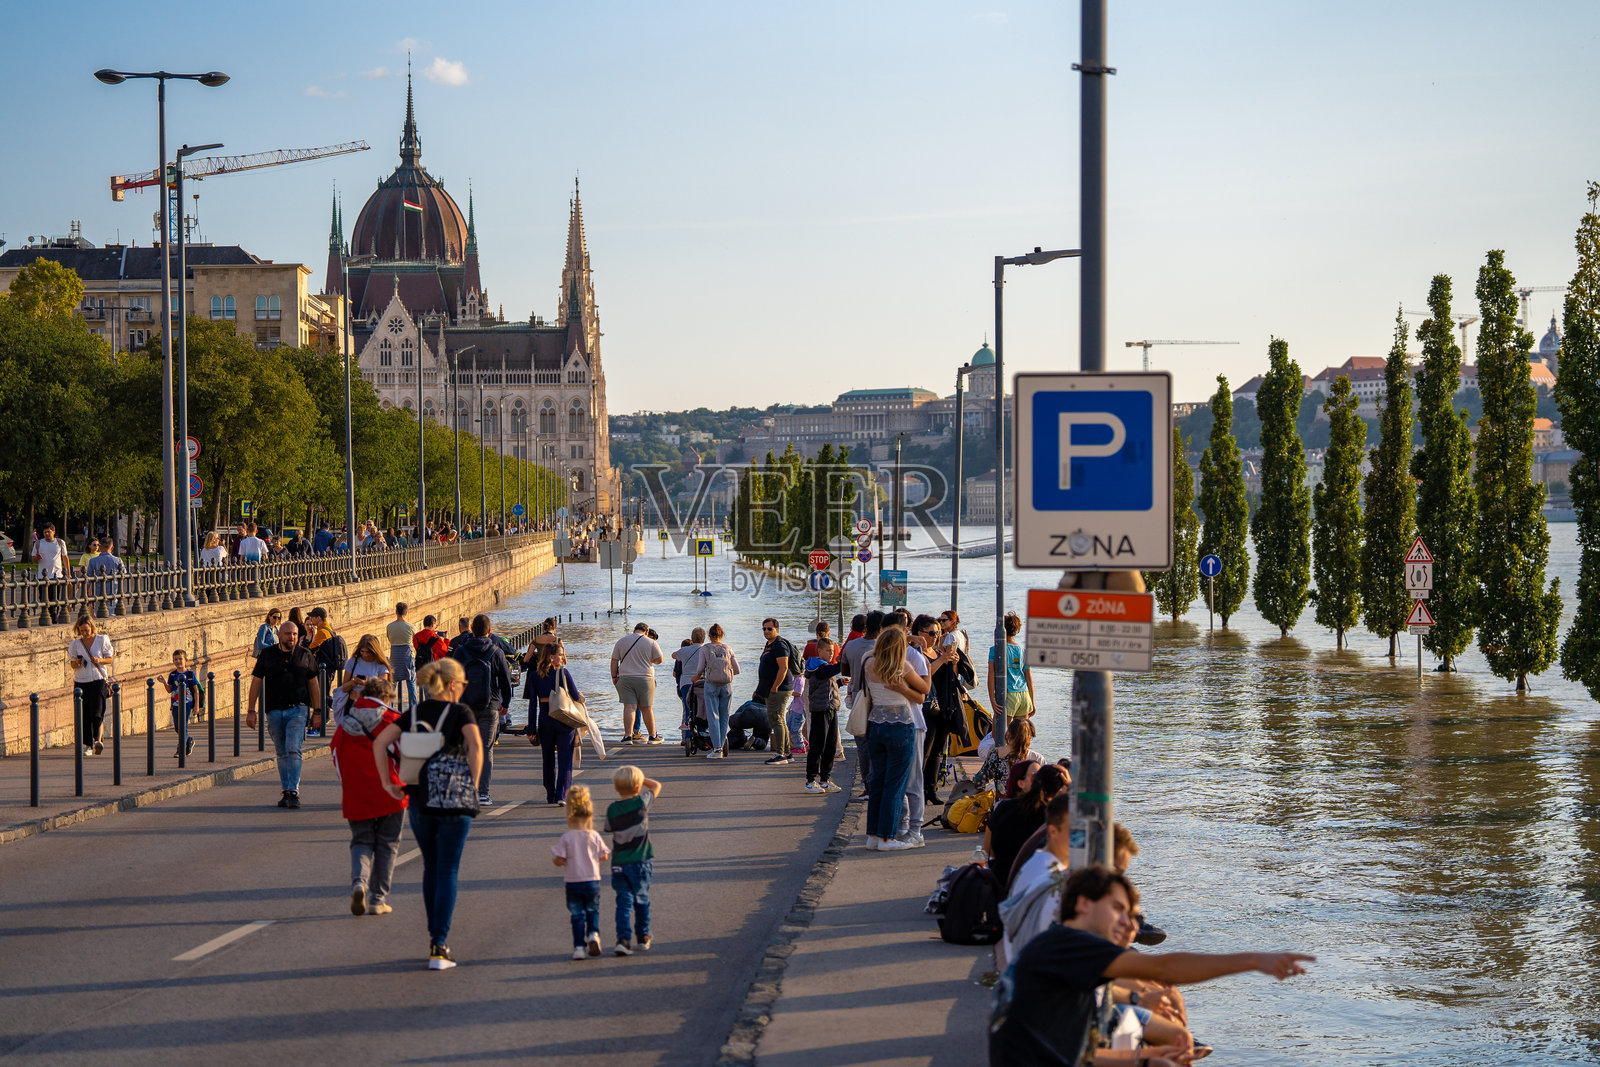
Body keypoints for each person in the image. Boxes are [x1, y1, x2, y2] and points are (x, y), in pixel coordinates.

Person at [988, 865, 1313, 1067]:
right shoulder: (1071, 945)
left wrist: (1146, 1057)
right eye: (1117, 908)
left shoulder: (1060, 952)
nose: (1125, 922)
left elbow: (1083, 1057)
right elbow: (1164, 968)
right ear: (1084, 904)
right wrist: (1255, 960)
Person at [373, 658, 484, 970]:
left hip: (419, 799)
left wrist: (388, 782)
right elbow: (476, 745)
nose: (463, 690)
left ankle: (433, 938)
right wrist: (472, 785)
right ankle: (440, 944)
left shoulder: (416, 712)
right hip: (453, 800)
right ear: (452, 684)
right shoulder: (461, 712)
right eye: (462, 684)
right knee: (448, 869)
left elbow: (381, 742)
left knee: (431, 866)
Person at [331, 676, 406, 917]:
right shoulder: (392, 720)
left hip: (357, 792)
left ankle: (359, 884)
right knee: (387, 844)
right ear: (386, 697)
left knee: (361, 841)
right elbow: (407, 755)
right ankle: (378, 899)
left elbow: (335, 753)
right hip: (390, 792)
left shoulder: (346, 723)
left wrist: (347, 785)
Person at [861, 627, 929, 851]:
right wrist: (924, 662)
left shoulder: (868, 663)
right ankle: (888, 838)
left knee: (878, 782)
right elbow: (924, 691)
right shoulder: (903, 667)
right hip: (900, 725)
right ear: (901, 648)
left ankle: (873, 835)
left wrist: (904, 637)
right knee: (895, 784)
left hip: (876, 724)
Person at [246, 622, 322, 809]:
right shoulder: (267, 655)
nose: (292, 637)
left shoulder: (305, 655)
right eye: (288, 634)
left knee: (293, 748)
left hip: (298, 709)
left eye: (295, 634)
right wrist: (251, 710)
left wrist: (317, 712)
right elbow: (256, 681)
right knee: (281, 752)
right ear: (279, 635)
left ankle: (293, 791)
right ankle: (286, 790)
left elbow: (314, 684)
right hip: (274, 710)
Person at [450, 614, 514, 805]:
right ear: (489, 631)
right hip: (490, 706)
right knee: (485, 750)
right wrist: (506, 704)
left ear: (471, 629)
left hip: (465, 707)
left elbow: (451, 678)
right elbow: (505, 681)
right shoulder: (496, 651)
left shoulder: (460, 651)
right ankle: (484, 794)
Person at [603, 764, 662, 956]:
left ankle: (623, 939)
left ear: (616, 788)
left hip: (619, 863)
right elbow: (656, 786)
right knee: (641, 898)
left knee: (623, 901)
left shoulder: (612, 809)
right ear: (638, 788)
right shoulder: (641, 803)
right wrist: (642, 777)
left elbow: (609, 828)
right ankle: (643, 936)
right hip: (640, 861)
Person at [985, 764, 1068, 886]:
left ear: (1032, 779)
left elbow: (988, 850)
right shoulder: (1053, 819)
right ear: (1060, 791)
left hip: (997, 886)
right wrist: (1071, 789)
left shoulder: (1004, 807)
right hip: (1032, 889)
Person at [553, 784, 609, 961]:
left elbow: (559, 860)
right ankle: (593, 934)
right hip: (592, 880)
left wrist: (560, 860)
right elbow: (604, 856)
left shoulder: (566, 838)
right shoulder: (593, 836)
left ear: (569, 815)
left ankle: (578, 947)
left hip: (573, 881)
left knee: (577, 914)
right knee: (593, 909)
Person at [530, 640, 582, 805]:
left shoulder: (534, 675)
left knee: (548, 758)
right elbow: (574, 695)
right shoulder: (563, 673)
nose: (562, 657)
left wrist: (531, 728)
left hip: (545, 719)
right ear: (551, 657)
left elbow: (532, 704)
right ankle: (562, 795)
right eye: (560, 655)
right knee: (565, 758)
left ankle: (550, 794)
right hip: (564, 720)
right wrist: (581, 696)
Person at [840, 610, 884, 796]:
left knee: (863, 744)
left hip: (857, 694)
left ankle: (868, 784)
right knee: (879, 743)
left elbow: (844, 669)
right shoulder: (881, 647)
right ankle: (877, 783)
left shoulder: (851, 645)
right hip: (878, 696)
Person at [987, 610, 1035, 749]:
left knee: (999, 738)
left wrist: (992, 699)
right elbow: (1028, 678)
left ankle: (1003, 767)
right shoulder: (1023, 651)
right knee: (1022, 739)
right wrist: (1032, 701)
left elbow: (991, 676)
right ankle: (1020, 765)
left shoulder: (995, 649)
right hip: (1024, 695)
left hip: (1008, 695)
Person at [611, 622, 665, 745]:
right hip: (645, 678)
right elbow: (660, 659)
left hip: (625, 677)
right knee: (646, 708)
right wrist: (651, 660)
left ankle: (627, 736)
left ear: (634, 630)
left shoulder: (621, 641)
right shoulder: (651, 642)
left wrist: (614, 676)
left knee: (629, 707)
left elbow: (614, 660)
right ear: (646, 631)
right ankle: (652, 736)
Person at [803, 636, 845, 793]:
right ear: (819, 651)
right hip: (820, 710)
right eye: (828, 651)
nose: (831, 654)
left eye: (832, 651)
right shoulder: (816, 666)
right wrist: (844, 663)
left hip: (831, 709)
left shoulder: (826, 667)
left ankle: (825, 779)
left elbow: (826, 683)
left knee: (831, 745)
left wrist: (839, 683)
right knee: (817, 745)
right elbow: (824, 674)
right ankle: (810, 780)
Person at [67, 616, 114, 756]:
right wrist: (77, 663)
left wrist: (99, 660)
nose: (85, 633)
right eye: (82, 631)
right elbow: (72, 664)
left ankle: (97, 741)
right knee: (85, 714)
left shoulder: (101, 640)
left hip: (98, 679)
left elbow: (110, 659)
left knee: (97, 711)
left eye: (86, 630)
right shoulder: (75, 644)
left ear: (91, 627)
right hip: (81, 680)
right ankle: (88, 745)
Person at [754, 618, 798, 765]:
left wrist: (775, 686)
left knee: (775, 719)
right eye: (764, 629)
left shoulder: (779, 644)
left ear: (776, 629)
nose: (766, 631)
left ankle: (780, 754)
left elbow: (784, 667)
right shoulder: (769, 644)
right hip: (771, 687)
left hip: (780, 688)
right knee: (778, 719)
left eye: (769, 629)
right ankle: (787, 752)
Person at [692, 623, 740, 758]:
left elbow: (700, 669)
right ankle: (723, 744)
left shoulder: (705, 649)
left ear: (709, 635)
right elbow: (737, 670)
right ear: (722, 635)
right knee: (724, 715)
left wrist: (698, 677)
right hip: (726, 685)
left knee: (713, 716)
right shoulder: (728, 648)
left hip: (711, 684)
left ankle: (717, 748)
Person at [334, 635, 392, 721]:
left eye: (368, 652)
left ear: (374, 651)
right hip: (353, 705)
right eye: (362, 651)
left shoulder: (380, 666)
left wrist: (366, 683)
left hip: (371, 707)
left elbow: (382, 691)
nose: (364, 655)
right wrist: (352, 683)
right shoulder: (353, 662)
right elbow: (344, 687)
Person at [159, 650, 202, 757]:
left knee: (183, 726)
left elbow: (196, 691)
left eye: (180, 659)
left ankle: (180, 749)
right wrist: (164, 682)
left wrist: (196, 706)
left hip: (187, 704)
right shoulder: (173, 675)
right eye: (176, 659)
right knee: (178, 728)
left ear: (186, 660)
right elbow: (169, 690)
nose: (178, 661)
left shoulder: (190, 674)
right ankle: (189, 740)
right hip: (175, 705)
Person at [976, 718, 1037, 793]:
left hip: (1001, 802)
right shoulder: (1035, 758)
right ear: (1029, 737)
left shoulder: (996, 754)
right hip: (1026, 803)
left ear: (1008, 733)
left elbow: (979, 782)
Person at [672, 627, 705, 727]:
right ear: (703, 638)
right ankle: (701, 732)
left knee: (687, 709)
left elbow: (673, 655)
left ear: (692, 638)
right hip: (701, 682)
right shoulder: (706, 650)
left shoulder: (684, 650)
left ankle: (686, 736)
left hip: (686, 682)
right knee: (702, 709)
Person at [387, 602, 418, 711]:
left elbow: (389, 639)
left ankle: (389, 708)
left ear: (396, 611)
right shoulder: (410, 627)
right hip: (407, 656)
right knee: (411, 683)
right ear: (406, 612)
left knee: (393, 684)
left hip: (394, 656)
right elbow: (415, 640)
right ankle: (413, 709)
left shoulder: (390, 626)